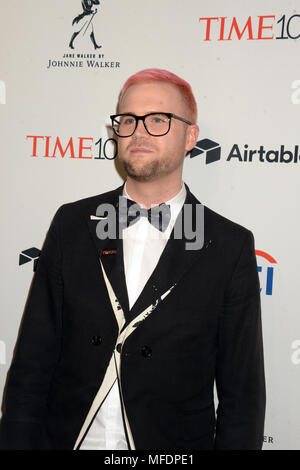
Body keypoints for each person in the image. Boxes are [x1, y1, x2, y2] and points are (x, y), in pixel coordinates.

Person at [0, 68, 265, 450]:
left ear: (191, 136)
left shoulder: (227, 245)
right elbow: (32, 361)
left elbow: (243, 395)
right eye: (128, 119)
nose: (138, 131)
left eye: (158, 119)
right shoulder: (72, 224)